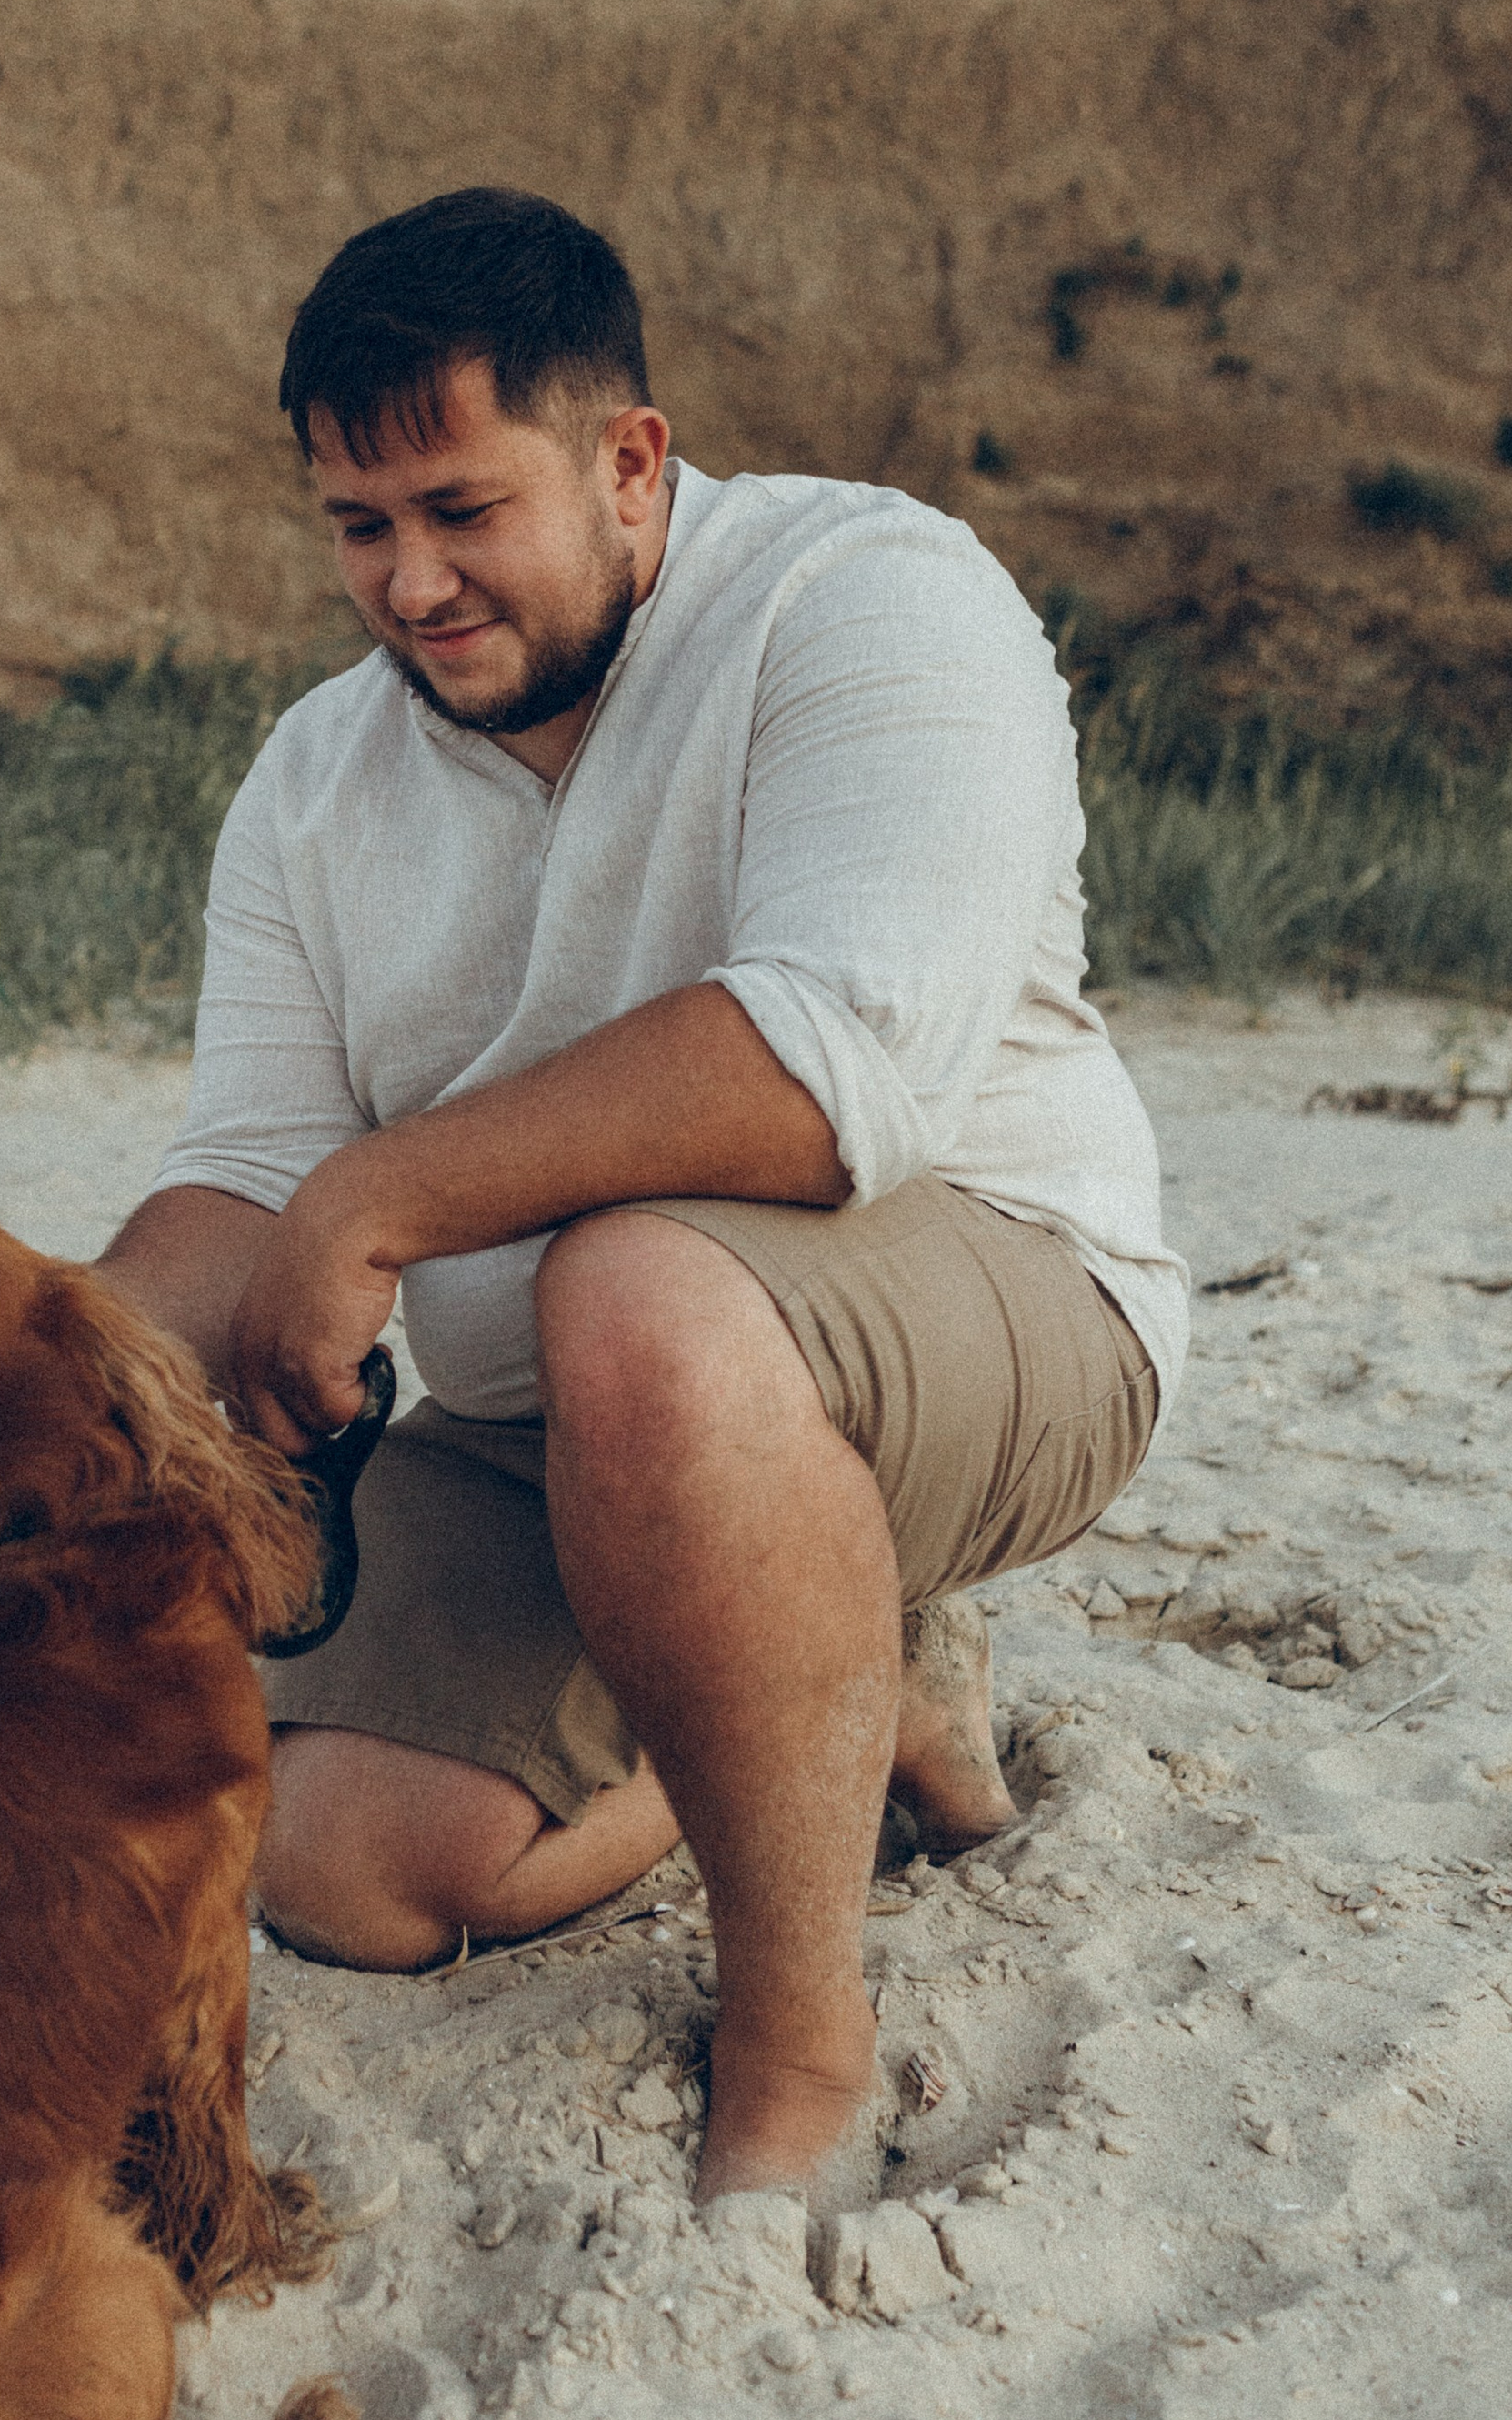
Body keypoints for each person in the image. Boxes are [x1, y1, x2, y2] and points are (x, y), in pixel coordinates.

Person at [95, 186, 1186, 2203]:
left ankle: (796, 2032)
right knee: (337, 1865)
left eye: (458, 507)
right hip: (551, 1427)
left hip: (997, 1312)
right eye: (356, 525)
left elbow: (827, 1062)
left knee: (636, 1291)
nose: (406, 583)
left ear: (625, 464)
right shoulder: (315, 779)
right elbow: (244, 1182)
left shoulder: (873, 596)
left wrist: (383, 1199)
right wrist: (41, 1377)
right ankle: (839, 1678)